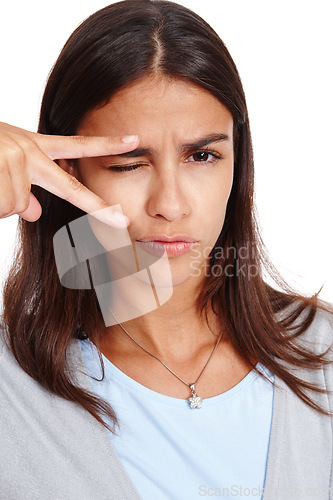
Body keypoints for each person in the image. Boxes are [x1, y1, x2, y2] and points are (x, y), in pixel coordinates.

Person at [0, 1, 332, 499]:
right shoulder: (12, 387)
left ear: (236, 165)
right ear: (66, 171)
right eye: (129, 163)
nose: (170, 205)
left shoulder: (320, 353)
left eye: (202, 156)